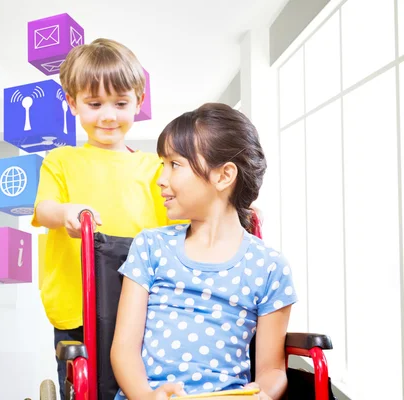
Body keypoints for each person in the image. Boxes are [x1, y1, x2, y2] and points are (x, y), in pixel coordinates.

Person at [110, 103, 297, 400]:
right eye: (162, 164)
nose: (161, 178)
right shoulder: (150, 247)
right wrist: (147, 396)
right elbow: (124, 350)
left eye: (174, 164)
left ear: (224, 176)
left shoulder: (269, 266)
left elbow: (272, 371)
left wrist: (262, 395)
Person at [31, 38, 183, 400]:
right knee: (87, 381)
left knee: (138, 381)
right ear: (73, 103)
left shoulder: (152, 166)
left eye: (120, 103)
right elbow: (43, 210)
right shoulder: (61, 160)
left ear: (138, 102)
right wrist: (67, 212)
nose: (109, 116)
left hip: (144, 302)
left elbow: (181, 216)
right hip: (78, 303)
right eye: (94, 104)